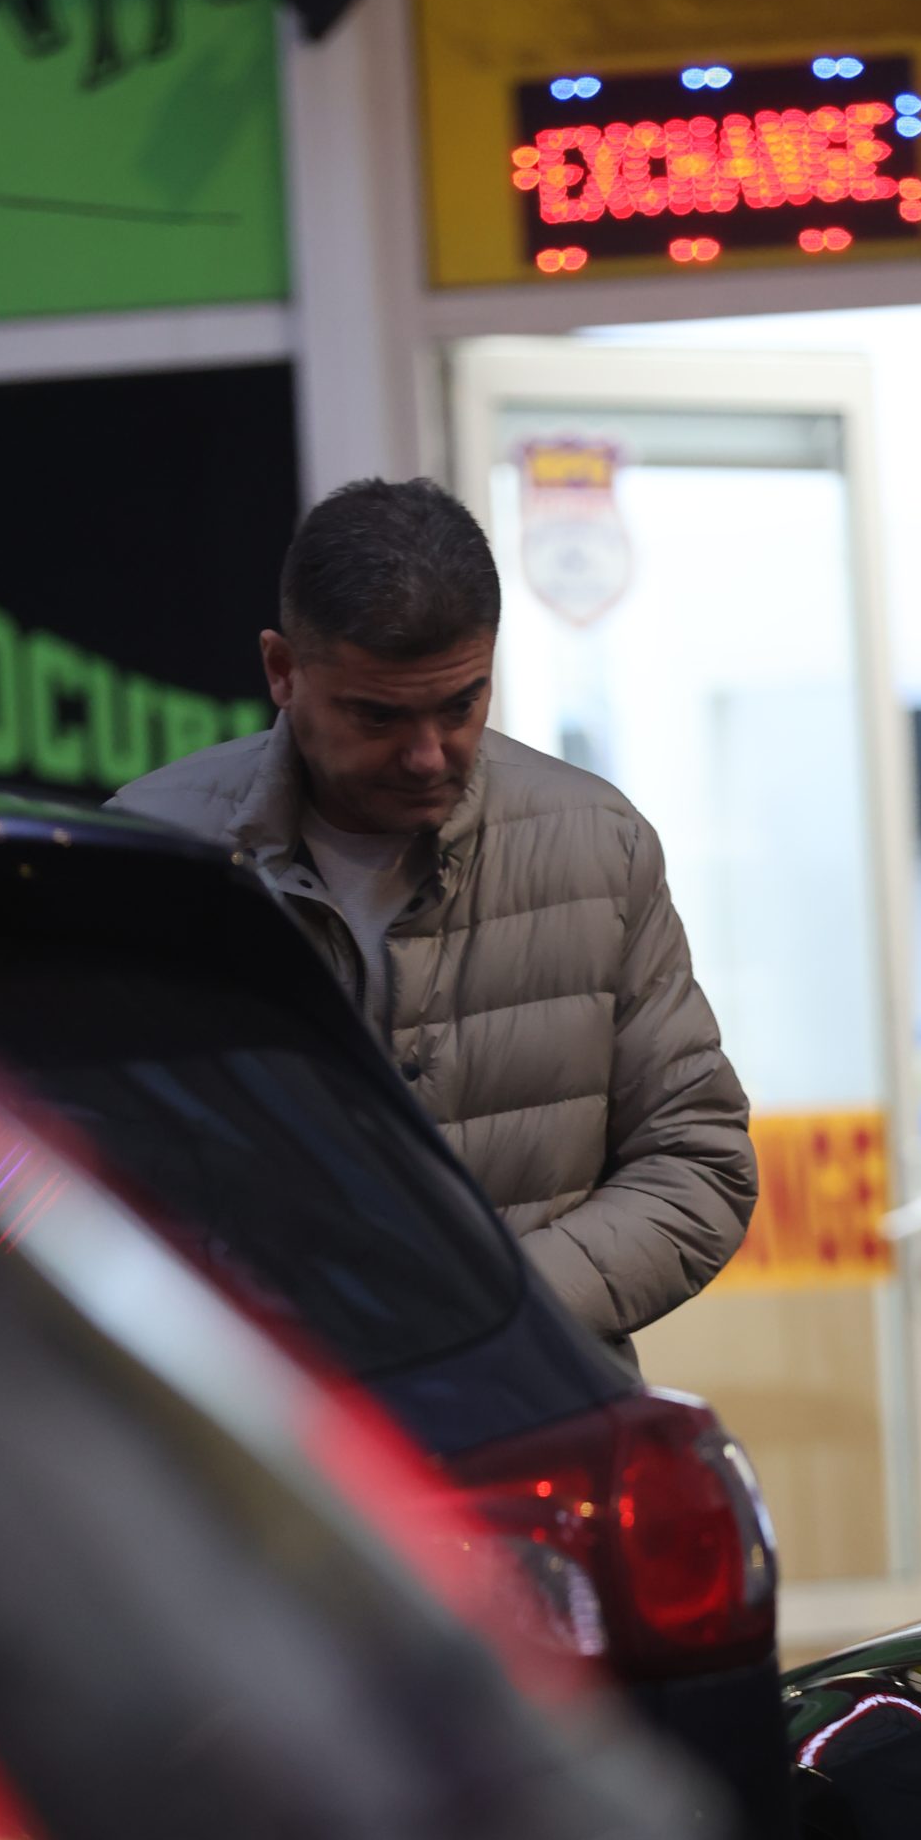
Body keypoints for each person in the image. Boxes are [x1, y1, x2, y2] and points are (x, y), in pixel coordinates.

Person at [109, 476, 755, 1351]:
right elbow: (67, 1167)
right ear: (282, 671)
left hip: (530, 1409)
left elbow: (697, 1164)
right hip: (251, 1423)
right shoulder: (146, 855)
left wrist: (491, 1307)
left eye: (460, 706)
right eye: (377, 716)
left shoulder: (598, 846)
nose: (426, 756)